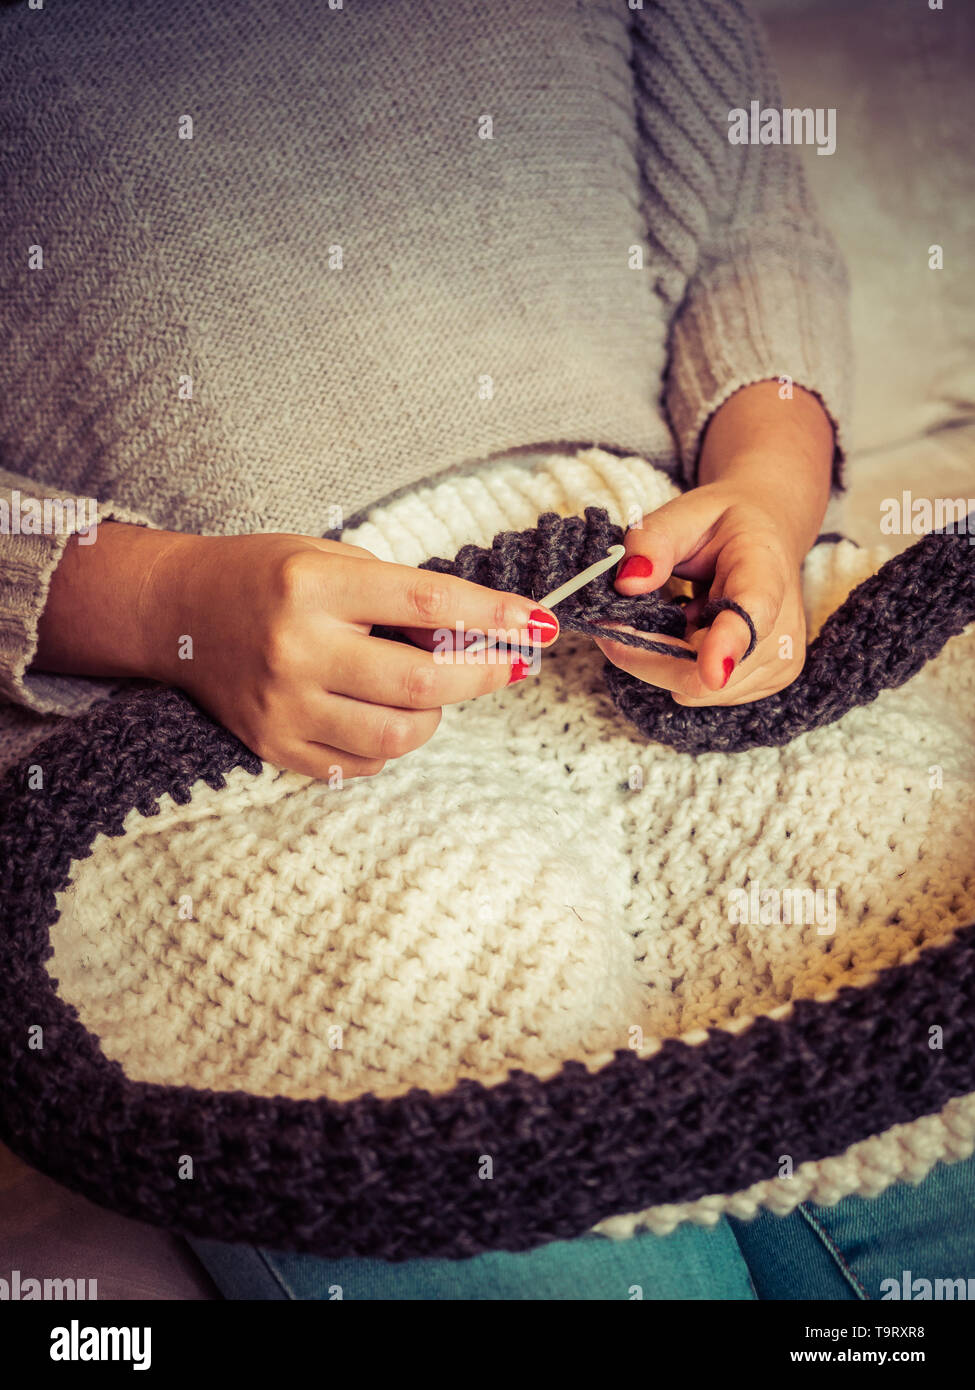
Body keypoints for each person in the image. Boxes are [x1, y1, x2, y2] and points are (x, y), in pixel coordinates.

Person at [2, 0, 970, 1298]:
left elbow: (749, 231)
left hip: (668, 627)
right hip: (247, 740)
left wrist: (768, 497)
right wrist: (171, 595)